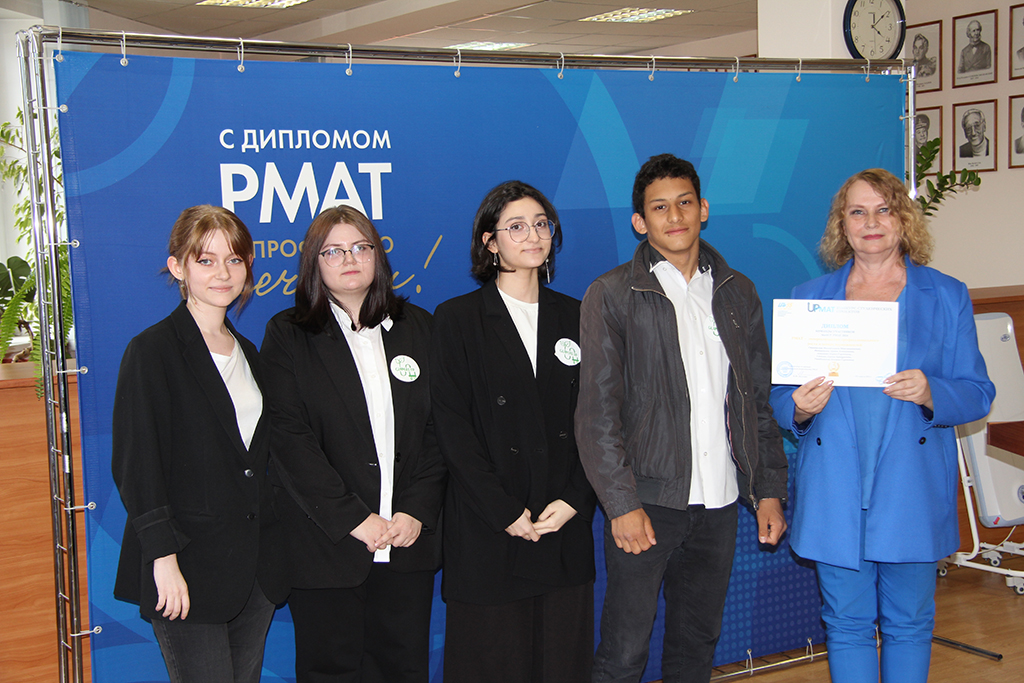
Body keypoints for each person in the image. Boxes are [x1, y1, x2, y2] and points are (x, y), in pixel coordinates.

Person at [770, 169, 995, 683]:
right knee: (845, 624)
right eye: (858, 212)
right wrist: (799, 407)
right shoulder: (810, 296)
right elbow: (781, 397)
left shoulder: (947, 295)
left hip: (910, 487)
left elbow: (978, 391)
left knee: (909, 624)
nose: (871, 222)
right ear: (842, 225)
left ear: (903, 219)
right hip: (835, 488)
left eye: (883, 209)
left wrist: (932, 391)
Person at [576, 153, 789, 683]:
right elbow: (597, 415)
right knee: (624, 653)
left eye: (685, 203)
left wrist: (768, 490)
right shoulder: (612, 294)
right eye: (659, 207)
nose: (675, 217)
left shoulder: (738, 291)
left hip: (720, 503)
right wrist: (621, 505)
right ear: (639, 221)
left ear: (704, 209)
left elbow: (756, 402)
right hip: (647, 504)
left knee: (696, 648)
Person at [260, 206, 445, 683]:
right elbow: (289, 439)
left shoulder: (420, 327)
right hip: (327, 546)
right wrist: (353, 519)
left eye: (362, 247)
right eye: (334, 251)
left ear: (378, 257)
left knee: (405, 669)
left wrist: (416, 510)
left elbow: (440, 430)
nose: (350, 259)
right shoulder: (288, 334)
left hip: (406, 542)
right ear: (314, 262)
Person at [430, 180, 596, 682]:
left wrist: (576, 498)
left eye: (542, 224)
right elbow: (452, 428)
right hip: (489, 525)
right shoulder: (457, 319)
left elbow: (600, 419)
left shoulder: (579, 315)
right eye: (516, 226)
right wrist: (502, 510)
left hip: (561, 521)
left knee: (562, 664)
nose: (533, 235)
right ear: (490, 242)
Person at [111, 205, 285, 683]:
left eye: (234, 259)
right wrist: (163, 559)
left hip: (254, 571)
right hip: (185, 567)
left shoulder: (249, 354)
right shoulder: (152, 351)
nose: (222, 273)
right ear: (178, 267)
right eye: (205, 260)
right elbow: (136, 464)